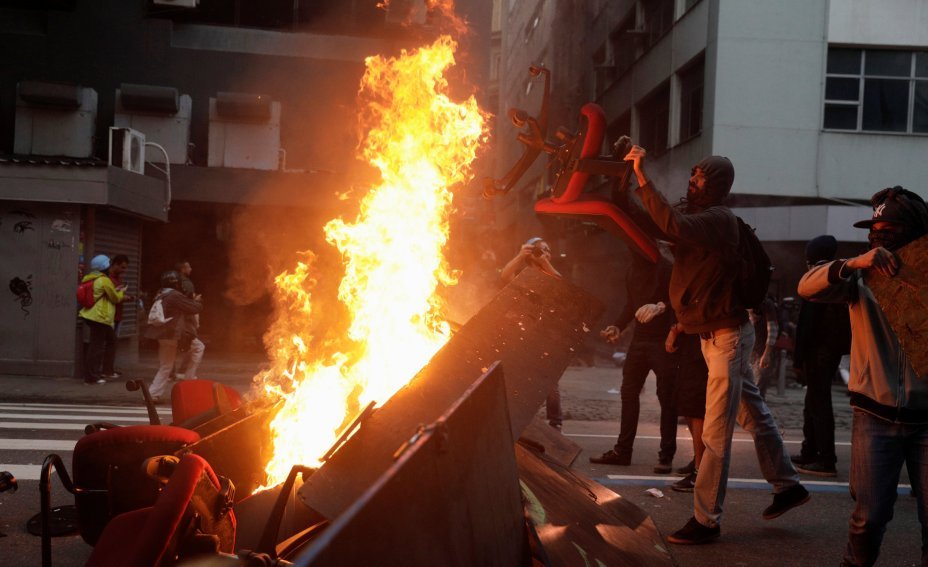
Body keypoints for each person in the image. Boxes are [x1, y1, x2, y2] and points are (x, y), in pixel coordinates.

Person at [624, 145, 808, 545]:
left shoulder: (718, 219)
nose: (691, 181)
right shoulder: (703, 218)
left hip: (726, 339)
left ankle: (706, 520)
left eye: (700, 176)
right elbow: (673, 242)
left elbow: (670, 224)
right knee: (753, 412)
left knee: (715, 433)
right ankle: (788, 485)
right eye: (692, 174)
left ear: (718, 184)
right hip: (714, 336)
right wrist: (680, 326)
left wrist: (641, 175)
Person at [798, 186, 928, 566]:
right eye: (876, 229)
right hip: (874, 415)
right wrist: (853, 264)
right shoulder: (861, 279)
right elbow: (807, 286)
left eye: (891, 227)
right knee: (867, 520)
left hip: (926, 418)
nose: (880, 236)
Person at [590, 251, 678, 473]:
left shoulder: (667, 267)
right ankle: (623, 452)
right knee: (629, 393)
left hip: (663, 341)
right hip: (639, 341)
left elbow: (679, 299)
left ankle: (666, 456)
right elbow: (631, 304)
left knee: (666, 397)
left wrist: (661, 307)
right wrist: (618, 325)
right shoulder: (632, 269)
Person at [791, 235, 851, 477]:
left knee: (819, 404)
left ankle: (826, 459)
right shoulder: (837, 276)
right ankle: (809, 451)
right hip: (832, 350)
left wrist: (797, 360)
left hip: (817, 350)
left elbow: (806, 325)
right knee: (813, 403)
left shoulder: (817, 279)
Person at [501, 237, 564, 428]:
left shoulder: (551, 274)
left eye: (546, 249)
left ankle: (556, 423)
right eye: (538, 250)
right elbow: (505, 276)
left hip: (547, 334)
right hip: (524, 332)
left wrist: (545, 263)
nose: (542, 253)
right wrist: (521, 255)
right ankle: (524, 422)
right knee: (521, 378)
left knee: (550, 381)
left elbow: (563, 286)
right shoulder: (524, 275)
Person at [145, 270, 204, 403]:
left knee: (166, 365)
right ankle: (189, 384)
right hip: (173, 333)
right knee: (199, 348)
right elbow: (194, 308)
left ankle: (152, 394)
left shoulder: (161, 294)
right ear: (176, 283)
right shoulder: (174, 295)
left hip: (162, 334)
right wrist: (197, 301)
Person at [665, 322, 708, 492]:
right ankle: (700, 461)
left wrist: (675, 329)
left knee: (696, 408)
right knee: (688, 406)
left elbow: (698, 307)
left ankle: (701, 472)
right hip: (690, 345)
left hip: (701, 344)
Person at [78, 255, 126, 385]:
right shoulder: (104, 280)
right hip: (100, 317)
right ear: (104, 266)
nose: (110, 266)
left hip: (95, 316)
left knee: (110, 341)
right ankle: (91, 377)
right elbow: (115, 298)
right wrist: (122, 291)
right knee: (96, 347)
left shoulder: (92, 278)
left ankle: (101, 371)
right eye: (109, 264)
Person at [103, 254, 134, 379]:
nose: (124, 271)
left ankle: (108, 369)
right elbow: (113, 297)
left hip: (117, 316)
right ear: (114, 264)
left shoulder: (117, 279)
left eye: (125, 268)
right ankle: (106, 370)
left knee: (112, 344)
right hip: (110, 316)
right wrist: (124, 297)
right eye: (122, 267)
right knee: (110, 343)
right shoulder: (107, 279)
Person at [748, 294, 779, 399]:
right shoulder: (745, 301)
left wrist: (767, 353)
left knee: (758, 387)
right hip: (749, 350)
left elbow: (772, 330)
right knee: (750, 387)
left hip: (761, 350)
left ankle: (756, 414)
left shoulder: (766, 304)